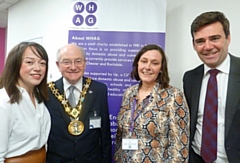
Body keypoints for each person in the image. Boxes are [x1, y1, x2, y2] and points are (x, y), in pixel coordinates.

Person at [114, 44, 190, 162]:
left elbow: (180, 146)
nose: (147, 67)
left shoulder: (173, 96)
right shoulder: (129, 93)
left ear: (161, 69)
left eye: (154, 63)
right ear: (137, 64)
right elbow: (121, 136)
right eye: (144, 61)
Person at [183, 11, 240, 163]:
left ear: (228, 38)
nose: (208, 47)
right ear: (194, 45)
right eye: (200, 41)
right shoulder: (190, 78)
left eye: (214, 38)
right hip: (196, 158)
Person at [44, 44, 111, 163]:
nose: (73, 67)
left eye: (78, 61)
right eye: (66, 62)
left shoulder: (99, 89)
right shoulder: (46, 92)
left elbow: (104, 131)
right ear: (58, 65)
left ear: (85, 63)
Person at [0, 42, 51, 163]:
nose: (37, 68)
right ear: (14, 65)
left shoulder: (39, 98)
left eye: (42, 63)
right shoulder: (4, 102)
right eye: (29, 62)